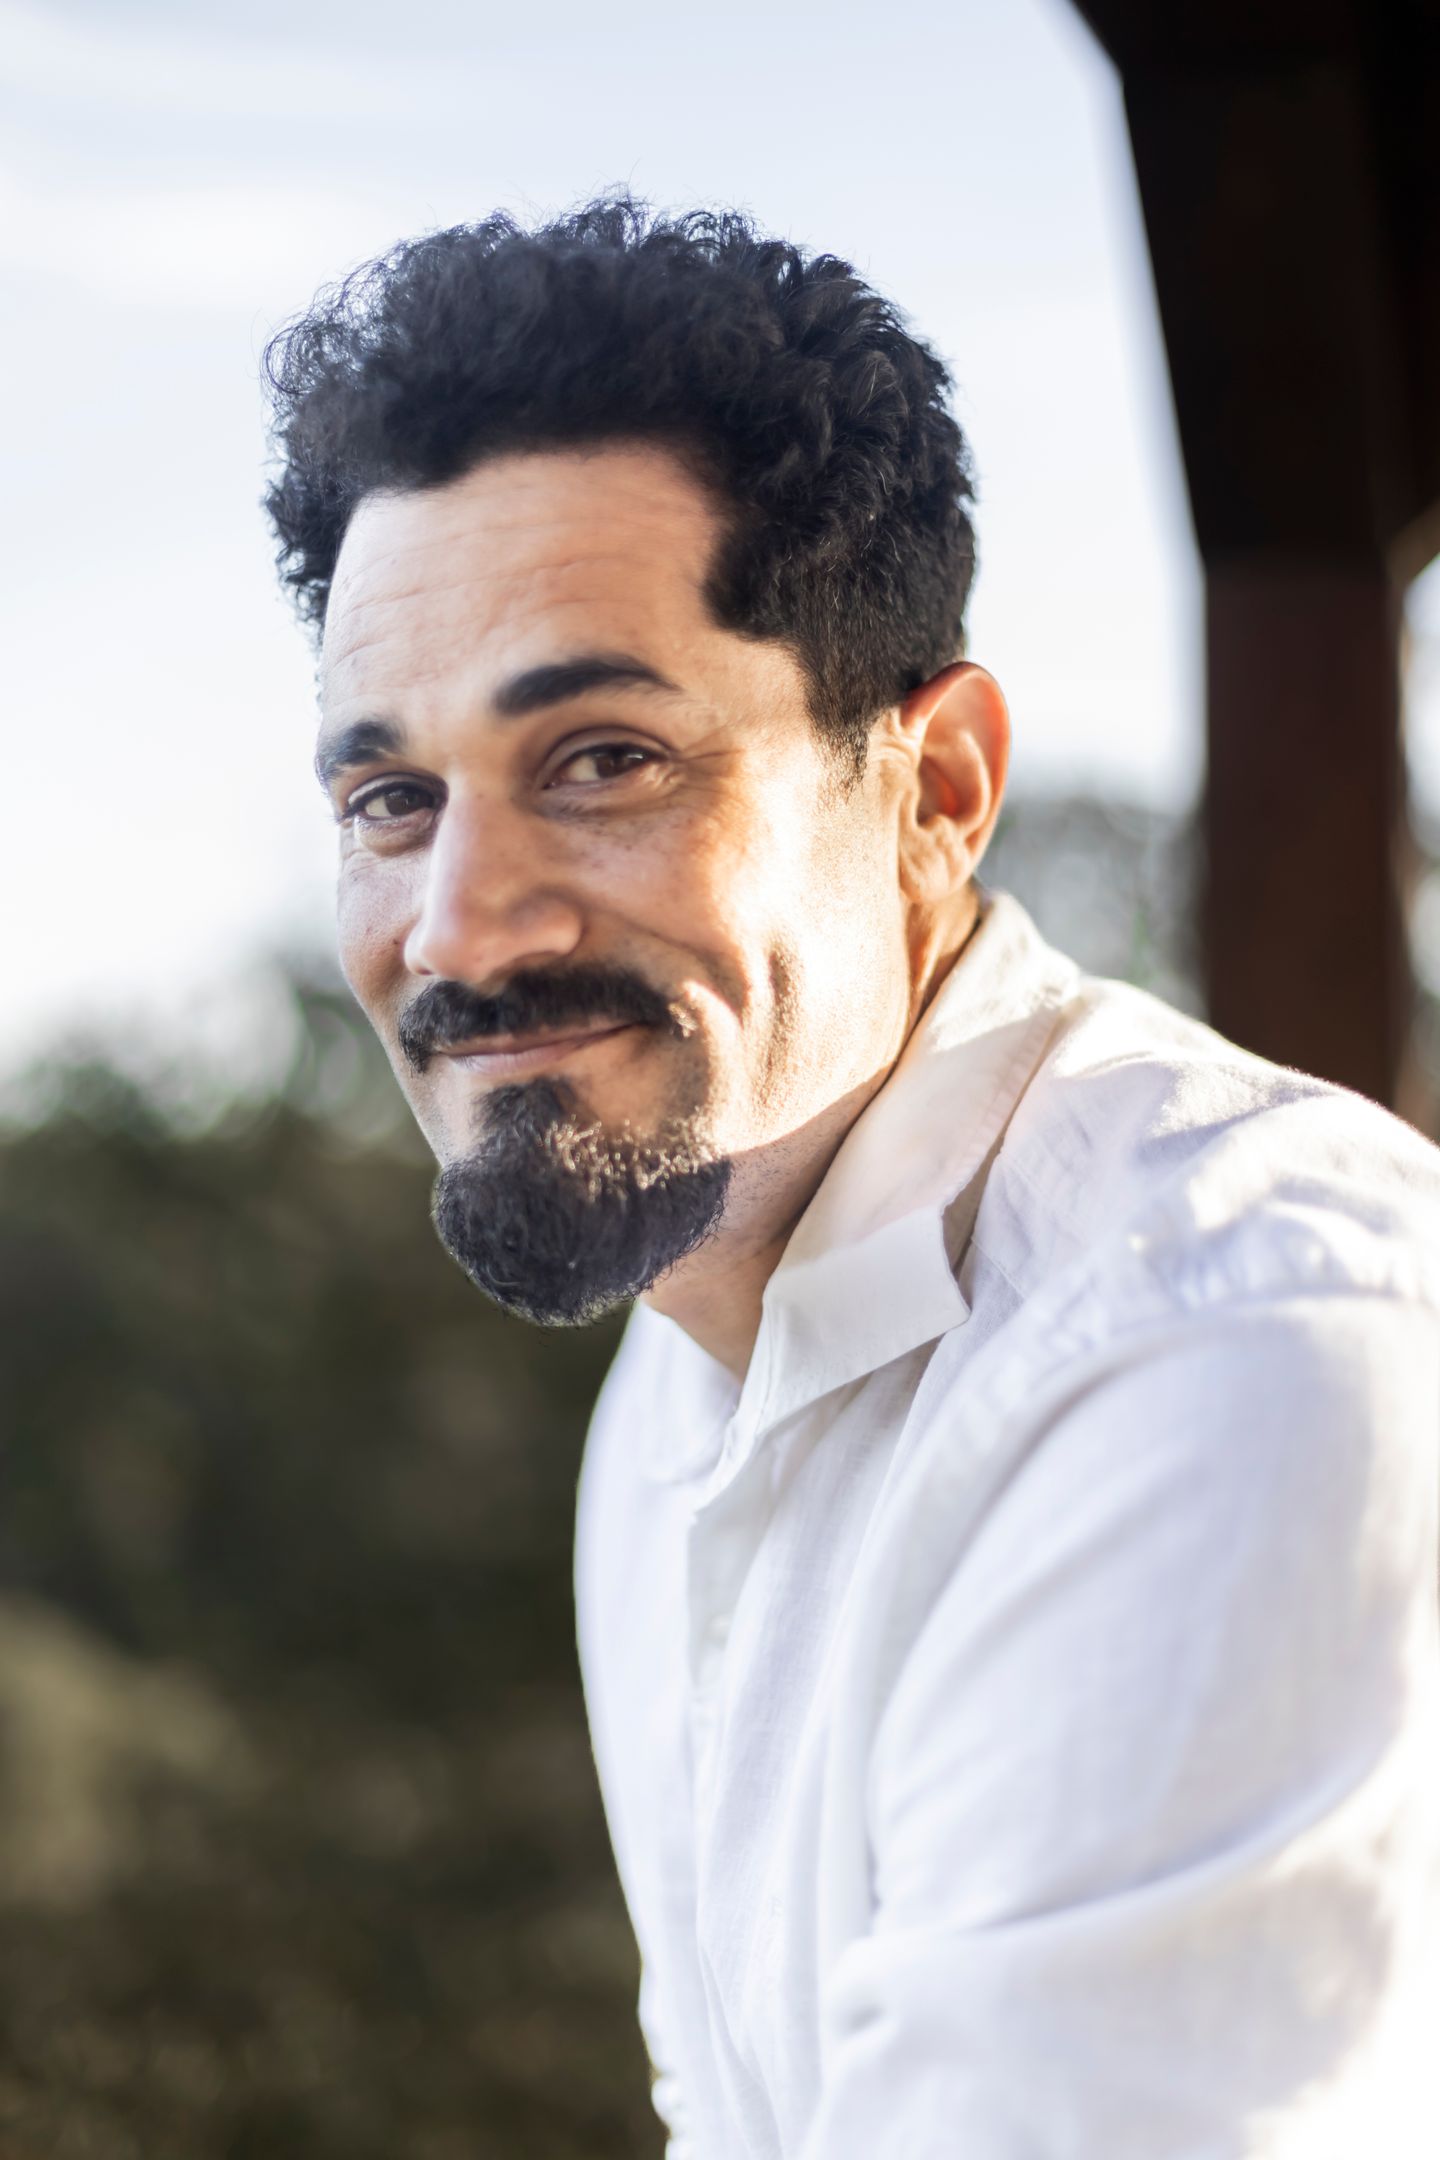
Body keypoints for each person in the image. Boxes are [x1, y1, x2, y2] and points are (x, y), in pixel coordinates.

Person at [263, 196, 1440, 2158]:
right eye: (392, 799)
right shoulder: (679, 1377)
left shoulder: (1239, 1349)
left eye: (604, 759)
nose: (459, 926)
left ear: (937, 789)